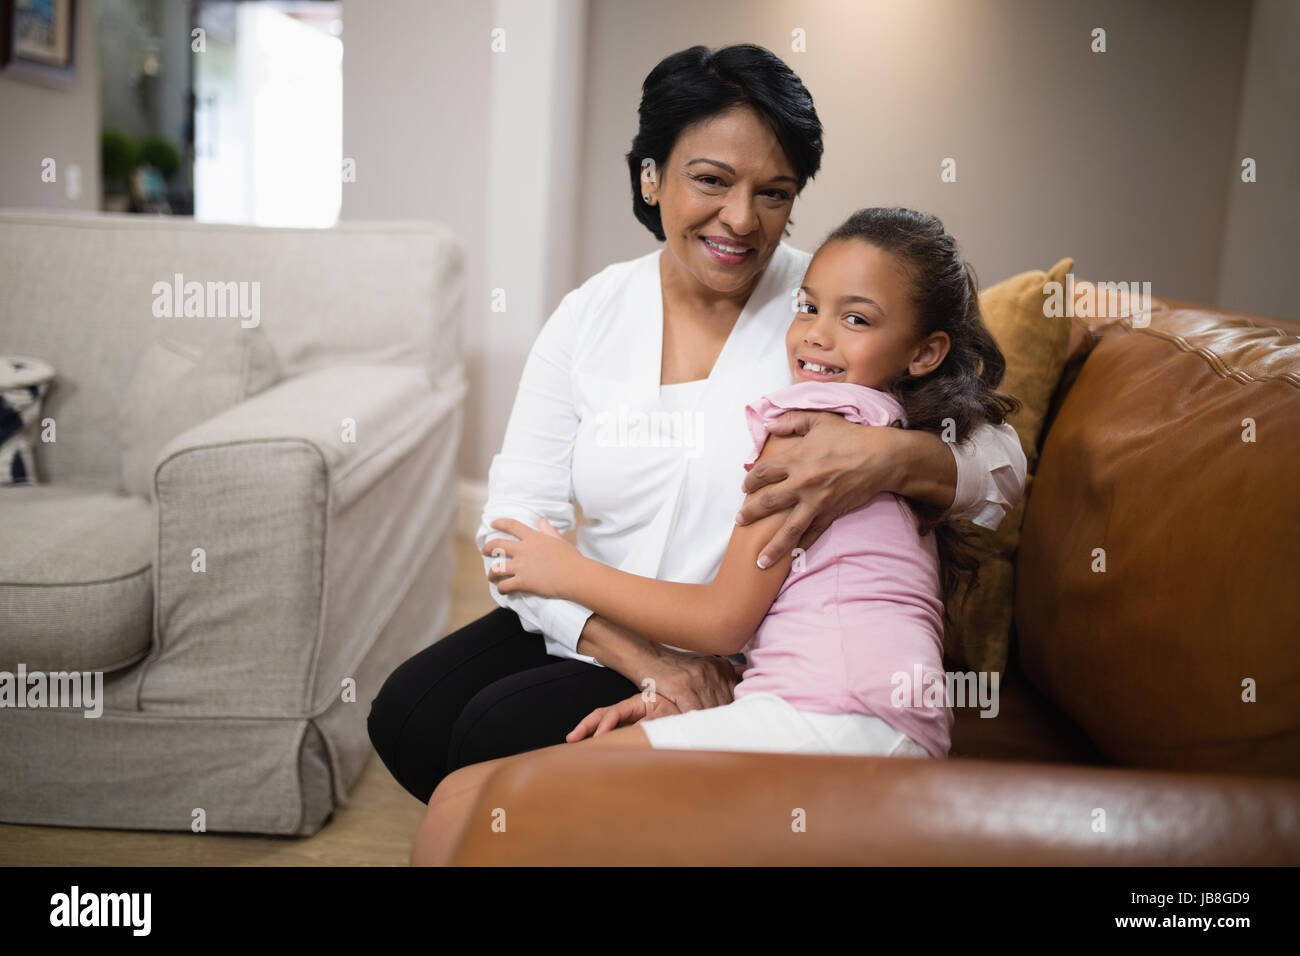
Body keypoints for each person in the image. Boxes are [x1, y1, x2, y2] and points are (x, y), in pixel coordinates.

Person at [368, 44, 1026, 806]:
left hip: (751, 647)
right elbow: (516, 528)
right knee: (409, 716)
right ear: (652, 176)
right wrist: (646, 660)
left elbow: (1001, 467)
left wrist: (885, 458)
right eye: (711, 181)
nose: (742, 220)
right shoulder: (592, 314)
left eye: (773, 194)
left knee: (492, 735)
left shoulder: (828, 309)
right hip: (608, 615)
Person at [410, 206, 1019, 865]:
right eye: (808, 307)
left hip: (840, 721)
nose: (816, 336)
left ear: (926, 351)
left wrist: (563, 568)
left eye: (856, 319)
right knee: (465, 782)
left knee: (490, 797)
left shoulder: (813, 429)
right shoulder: (890, 416)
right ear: (653, 180)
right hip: (845, 714)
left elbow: (724, 620)